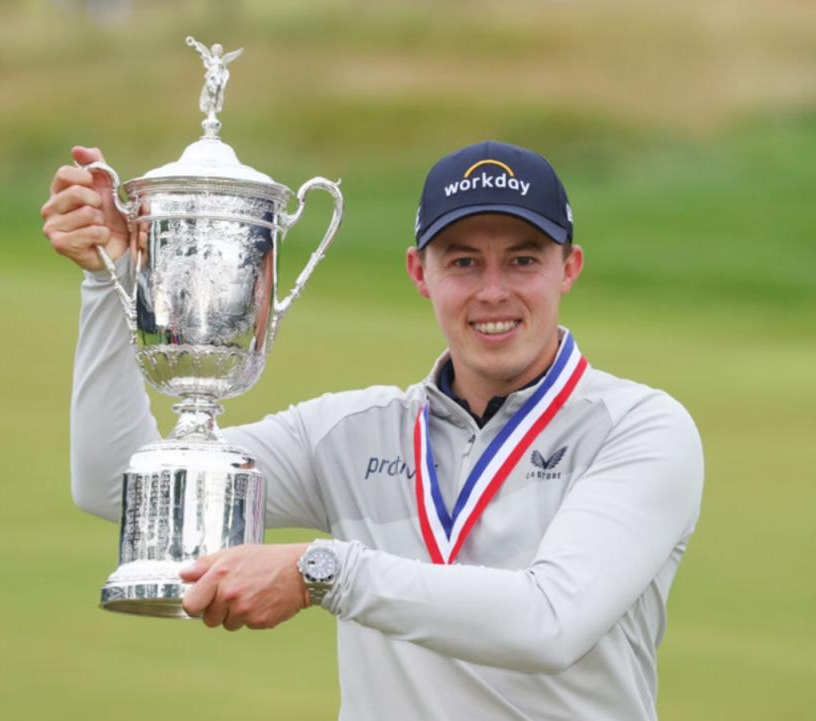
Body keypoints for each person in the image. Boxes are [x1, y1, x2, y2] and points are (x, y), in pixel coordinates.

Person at [41, 140, 704, 721]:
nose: (494, 291)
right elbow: (117, 485)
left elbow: (552, 621)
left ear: (570, 267)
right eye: (464, 262)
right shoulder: (352, 433)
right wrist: (110, 281)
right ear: (421, 272)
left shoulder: (640, 428)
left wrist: (321, 571)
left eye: (524, 260)